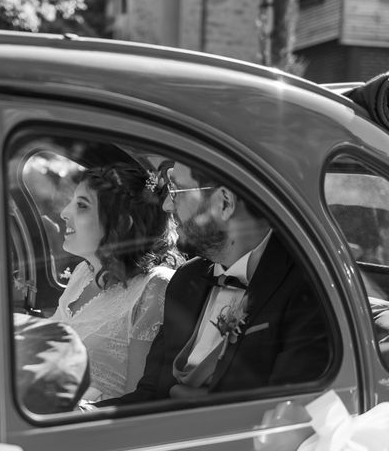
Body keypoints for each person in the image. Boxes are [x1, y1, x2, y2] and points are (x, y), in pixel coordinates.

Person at [97, 161, 330, 406]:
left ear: (224, 203)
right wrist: (80, 415)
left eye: (176, 191)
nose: (166, 205)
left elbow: (281, 418)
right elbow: (150, 395)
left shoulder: (308, 290)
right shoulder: (187, 279)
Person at [50, 164, 181, 401]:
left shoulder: (154, 286)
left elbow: (137, 397)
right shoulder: (84, 272)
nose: (64, 213)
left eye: (82, 205)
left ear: (121, 223)